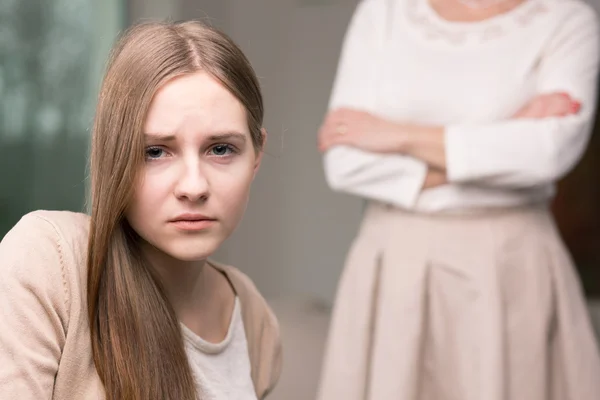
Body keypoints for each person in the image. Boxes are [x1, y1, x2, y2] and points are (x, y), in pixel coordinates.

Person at [317, 0, 600, 399]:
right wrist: (506, 135)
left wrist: (399, 135)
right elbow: (345, 162)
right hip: (395, 259)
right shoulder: (383, 12)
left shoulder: (567, 19)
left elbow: (547, 154)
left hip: (511, 265)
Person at [0, 21, 281, 400]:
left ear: (257, 154)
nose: (193, 187)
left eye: (220, 149)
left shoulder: (252, 316)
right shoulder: (48, 264)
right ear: (114, 155)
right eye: (155, 152)